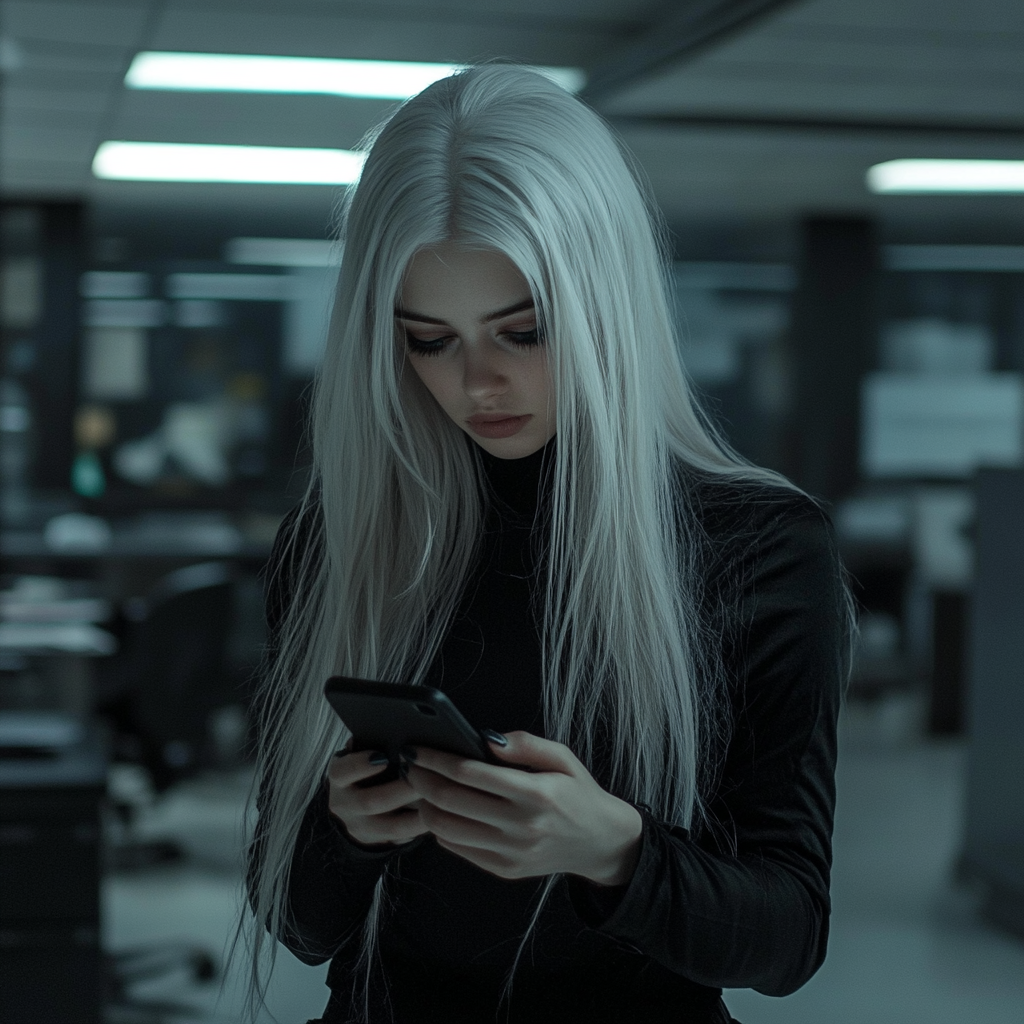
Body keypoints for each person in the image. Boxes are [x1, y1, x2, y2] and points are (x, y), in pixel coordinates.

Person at [242, 63, 854, 1024]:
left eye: (523, 332)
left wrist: (615, 851)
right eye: (429, 341)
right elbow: (296, 921)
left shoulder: (759, 549)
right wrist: (347, 833)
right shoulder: (337, 546)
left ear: (605, 302)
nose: (478, 382)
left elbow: (786, 941)